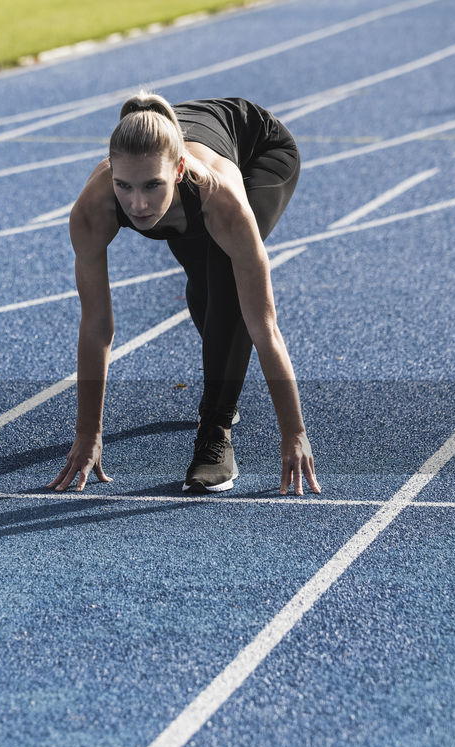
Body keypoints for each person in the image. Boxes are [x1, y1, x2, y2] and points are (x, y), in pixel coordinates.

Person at [47, 92, 320, 495]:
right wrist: (88, 433)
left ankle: (216, 431)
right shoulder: (94, 207)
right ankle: (225, 387)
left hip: (260, 150)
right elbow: (96, 325)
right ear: (110, 173)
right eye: (124, 185)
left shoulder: (220, 198)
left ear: (176, 171)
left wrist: (294, 432)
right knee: (204, 286)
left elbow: (264, 327)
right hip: (187, 180)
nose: (138, 204)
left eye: (151, 186)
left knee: (226, 280)